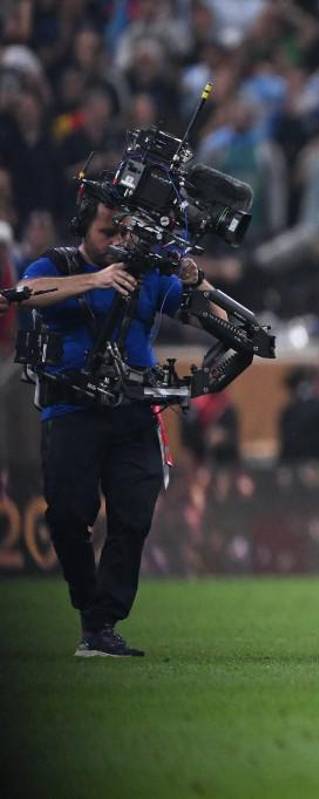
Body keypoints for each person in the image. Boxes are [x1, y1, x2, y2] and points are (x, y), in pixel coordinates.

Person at [16, 196, 223, 657]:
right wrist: (95, 279)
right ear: (83, 230)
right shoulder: (59, 263)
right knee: (69, 516)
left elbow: (217, 321)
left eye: (123, 232)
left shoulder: (149, 275)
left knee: (132, 518)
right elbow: (24, 294)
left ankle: (103, 624)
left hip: (134, 411)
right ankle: (90, 608)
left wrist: (197, 279)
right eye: (106, 232)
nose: (116, 242)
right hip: (72, 411)